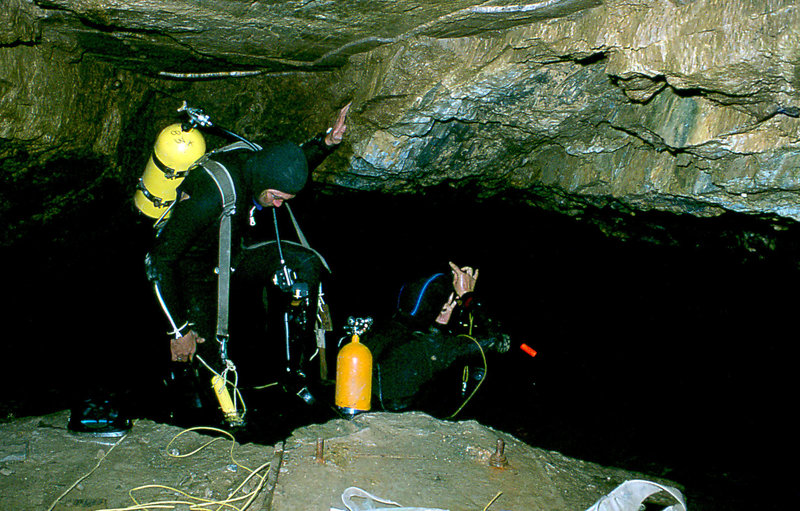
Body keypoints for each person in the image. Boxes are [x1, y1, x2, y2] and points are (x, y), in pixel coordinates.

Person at [144, 103, 350, 424]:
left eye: (285, 200)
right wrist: (178, 330)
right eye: (277, 197)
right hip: (193, 271)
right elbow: (158, 259)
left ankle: (294, 374)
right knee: (209, 355)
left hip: (233, 252)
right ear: (263, 181)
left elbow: (291, 161)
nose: (279, 205)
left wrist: (326, 143)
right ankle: (198, 411)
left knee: (305, 265)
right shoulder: (209, 195)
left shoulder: (260, 163)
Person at [364, 261, 510, 412]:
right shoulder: (429, 347)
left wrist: (438, 325)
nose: (452, 306)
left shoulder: (383, 332)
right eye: (449, 301)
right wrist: (468, 297)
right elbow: (501, 339)